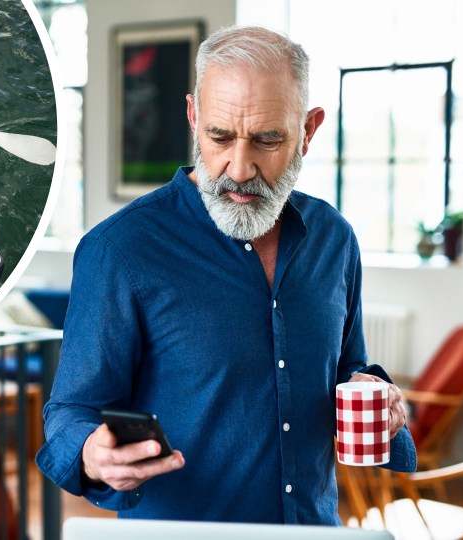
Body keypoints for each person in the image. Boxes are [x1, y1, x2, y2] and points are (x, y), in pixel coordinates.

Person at [35, 26, 416, 524]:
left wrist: (382, 404)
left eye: (267, 139)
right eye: (219, 136)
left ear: (309, 129)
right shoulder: (120, 250)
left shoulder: (335, 239)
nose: (239, 168)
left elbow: (347, 371)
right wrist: (91, 452)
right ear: (194, 117)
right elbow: (71, 412)